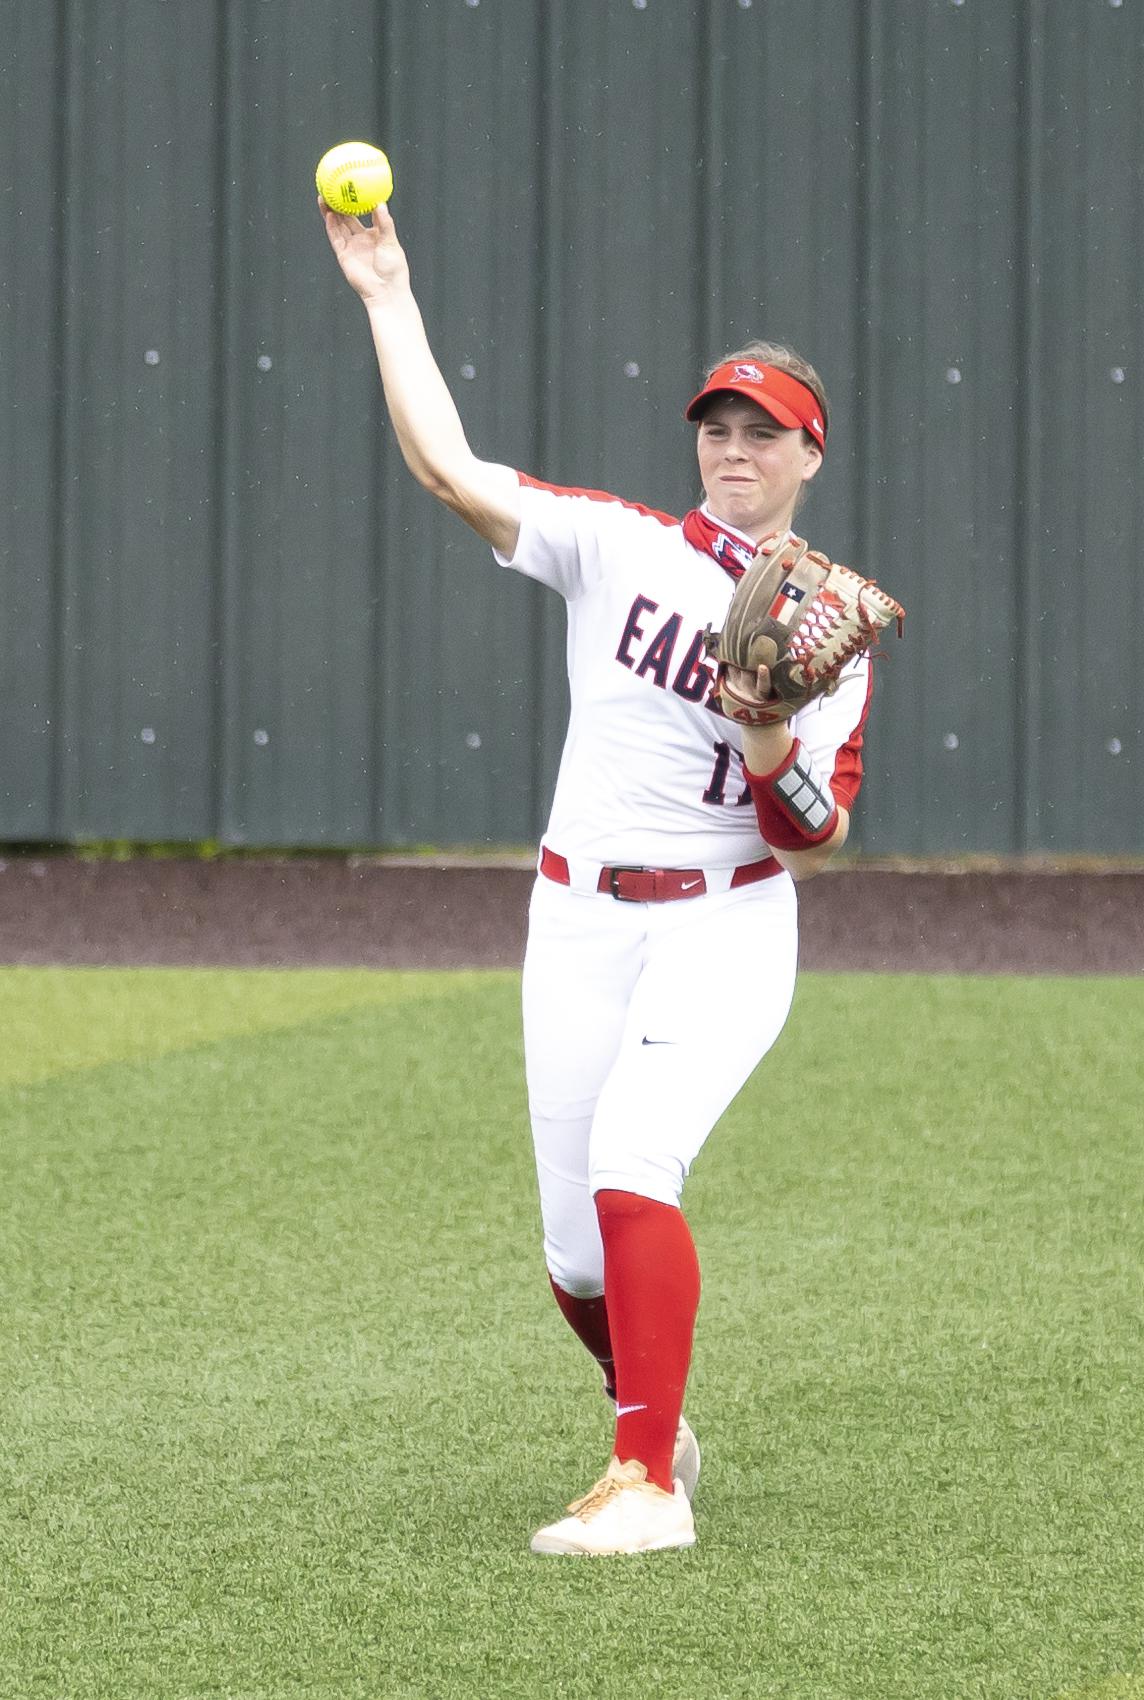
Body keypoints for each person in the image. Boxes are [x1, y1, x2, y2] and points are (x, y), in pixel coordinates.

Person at [321, 195, 874, 1556]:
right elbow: (449, 469)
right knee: (575, 1259)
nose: (735, 447)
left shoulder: (831, 627)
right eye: (719, 425)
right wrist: (389, 289)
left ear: (812, 453)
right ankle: (654, 1411)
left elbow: (815, 835)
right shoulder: (616, 541)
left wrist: (762, 732)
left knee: (638, 1168)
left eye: (764, 430)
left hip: (726, 928)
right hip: (574, 916)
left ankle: (646, 1487)